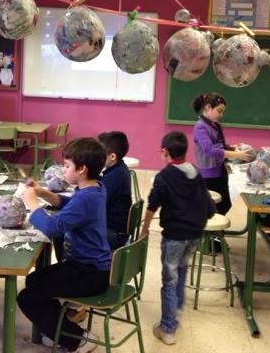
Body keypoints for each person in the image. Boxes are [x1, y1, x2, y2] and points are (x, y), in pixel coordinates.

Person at [17, 137, 110, 353]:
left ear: (82, 168)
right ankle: (61, 330)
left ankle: (77, 340)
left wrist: (32, 203)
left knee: (27, 298)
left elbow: (52, 228)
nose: (63, 169)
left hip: (88, 273)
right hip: (90, 267)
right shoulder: (94, 188)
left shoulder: (85, 198)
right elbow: (69, 204)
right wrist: (42, 192)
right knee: (34, 280)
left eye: (67, 165)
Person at [139, 130, 215, 346]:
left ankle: (168, 328)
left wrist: (144, 229)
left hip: (174, 236)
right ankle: (178, 305)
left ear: (164, 151)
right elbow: (208, 204)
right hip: (195, 234)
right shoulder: (195, 172)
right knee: (182, 267)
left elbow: (152, 206)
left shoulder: (164, 177)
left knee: (169, 280)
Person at [192, 92, 252, 214]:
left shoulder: (215, 124)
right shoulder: (200, 127)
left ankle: (215, 222)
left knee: (226, 203)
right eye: (219, 111)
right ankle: (207, 224)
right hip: (209, 174)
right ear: (208, 107)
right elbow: (209, 150)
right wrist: (237, 155)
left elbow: (219, 144)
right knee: (215, 207)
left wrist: (232, 147)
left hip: (220, 169)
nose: (221, 115)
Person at [98, 131, 132, 251]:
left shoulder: (115, 176)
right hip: (116, 229)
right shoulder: (120, 169)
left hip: (113, 233)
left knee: (68, 234)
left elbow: (97, 204)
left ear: (112, 156)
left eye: (100, 154)